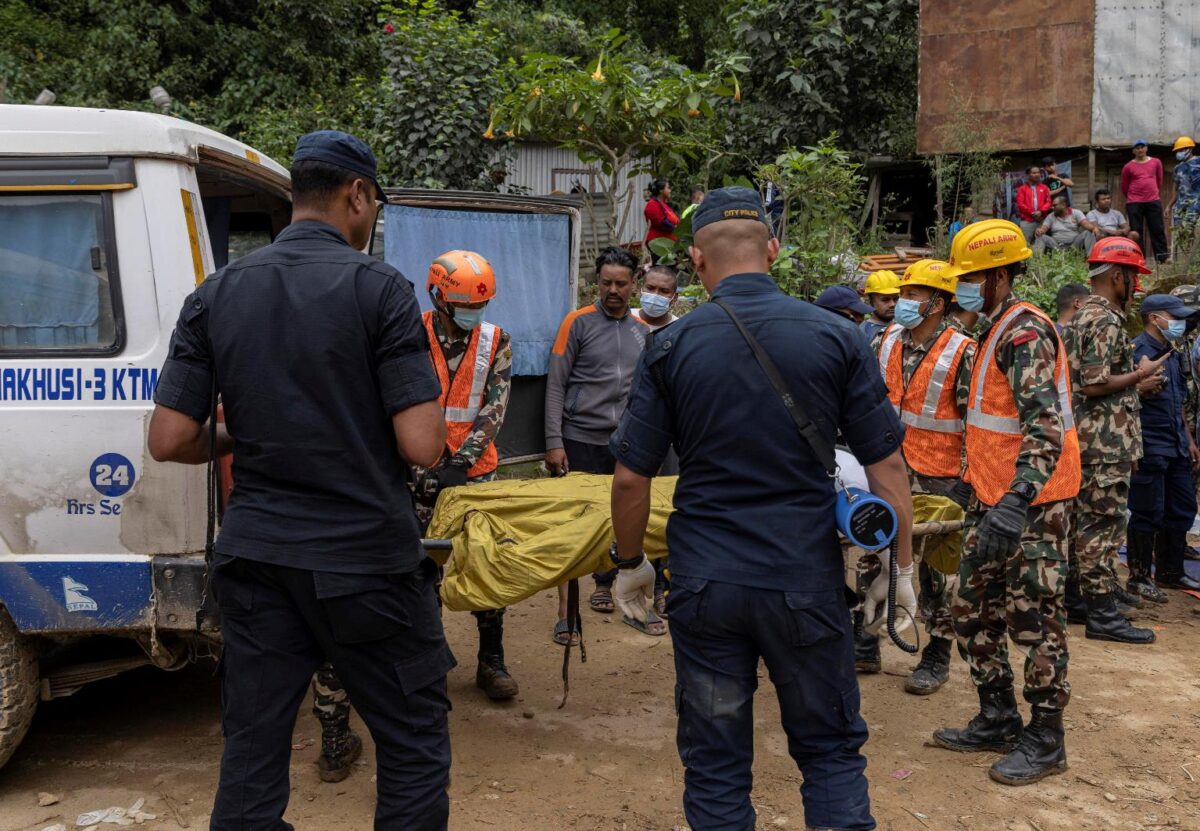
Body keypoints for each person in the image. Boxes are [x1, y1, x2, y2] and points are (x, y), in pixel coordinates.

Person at [147, 130, 454, 830]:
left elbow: (169, 438)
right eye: (373, 202)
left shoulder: (217, 292)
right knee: (411, 746)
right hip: (366, 565)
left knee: (252, 754)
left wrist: (244, 432)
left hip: (258, 563)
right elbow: (422, 442)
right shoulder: (380, 289)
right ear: (356, 195)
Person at [607, 186, 914, 831]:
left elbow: (632, 478)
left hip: (707, 585)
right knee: (830, 753)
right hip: (805, 583)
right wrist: (902, 567)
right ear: (773, 250)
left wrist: (630, 565)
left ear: (695, 261)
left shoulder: (670, 346)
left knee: (716, 765)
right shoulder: (839, 337)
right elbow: (887, 467)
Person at [932, 218, 1081, 786]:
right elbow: (992, 426)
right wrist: (978, 487)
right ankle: (997, 715)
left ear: (998, 276)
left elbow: (1044, 426)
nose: (961, 289)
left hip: (1034, 504)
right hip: (992, 500)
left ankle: (1046, 738)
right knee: (971, 609)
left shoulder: (1024, 333)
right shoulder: (991, 332)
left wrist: (1017, 499)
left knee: (1036, 618)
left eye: (970, 278)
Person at [869, 258, 976, 695]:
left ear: (937, 302)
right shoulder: (885, 339)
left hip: (940, 475)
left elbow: (975, 418)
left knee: (938, 570)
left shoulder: (962, 350)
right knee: (873, 550)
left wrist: (970, 476)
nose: (902, 301)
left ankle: (937, 650)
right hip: (886, 466)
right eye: (903, 293)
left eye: (912, 294)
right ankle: (868, 637)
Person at [544, 246, 660, 642]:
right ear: (597, 282)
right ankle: (566, 613)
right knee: (575, 526)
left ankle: (627, 598)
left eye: (621, 283)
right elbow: (556, 384)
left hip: (625, 442)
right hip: (579, 439)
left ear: (634, 286)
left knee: (628, 519)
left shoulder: (642, 331)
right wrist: (553, 441)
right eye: (606, 282)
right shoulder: (576, 323)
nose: (613, 290)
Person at [418, 249, 519, 700]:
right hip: (419, 472)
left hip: (475, 473)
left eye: (480, 306)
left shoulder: (496, 340)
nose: (472, 315)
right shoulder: (409, 334)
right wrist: (432, 466)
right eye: (464, 306)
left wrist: (460, 464)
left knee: (484, 561)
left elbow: (493, 409)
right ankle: (428, 660)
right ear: (439, 297)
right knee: (421, 569)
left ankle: (491, 661)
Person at [1060, 238, 1159, 645]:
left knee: (1080, 525)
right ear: (1117, 277)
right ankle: (1102, 614)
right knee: (1101, 528)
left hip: (1089, 439)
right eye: (1133, 278)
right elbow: (1095, 383)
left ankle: (1078, 601)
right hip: (1104, 443)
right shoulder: (1104, 320)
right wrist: (1140, 374)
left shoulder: (1083, 316)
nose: (1135, 286)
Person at [1127, 294, 1200, 600]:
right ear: (1154, 317)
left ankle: (1171, 571)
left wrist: (1189, 439)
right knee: (1147, 510)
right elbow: (1121, 397)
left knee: (1181, 507)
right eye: (1175, 316)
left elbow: (1179, 401)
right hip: (1149, 442)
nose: (1180, 323)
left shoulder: (1172, 352)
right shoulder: (1136, 351)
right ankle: (1140, 576)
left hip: (1176, 443)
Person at [1121, 140, 1168, 263]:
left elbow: (1159, 180)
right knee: (1136, 231)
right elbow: (1124, 186)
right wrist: (1133, 197)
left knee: (1157, 229)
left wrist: (1152, 193)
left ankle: (1162, 257)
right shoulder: (1128, 166)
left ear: (1146, 148)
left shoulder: (1156, 162)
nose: (1140, 150)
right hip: (1134, 202)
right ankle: (1139, 258)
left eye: (1142, 147)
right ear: (1133, 151)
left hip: (1153, 200)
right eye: (1137, 148)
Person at [1168, 136, 1200, 256]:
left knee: (1189, 229)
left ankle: (1194, 259)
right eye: (1177, 151)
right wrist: (1169, 206)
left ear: (1189, 149)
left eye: (1181, 150)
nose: (1178, 153)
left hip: (1196, 203)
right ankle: (1186, 259)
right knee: (1179, 232)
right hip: (1180, 205)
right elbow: (1175, 190)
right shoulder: (1177, 168)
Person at [1034, 194, 1098, 253]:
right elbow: (1044, 228)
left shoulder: (1076, 213)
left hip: (1074, 245)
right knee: (1040, 236)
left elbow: (1085, 224)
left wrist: (1094, 228)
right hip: (1056, 246)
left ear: (1063, 205)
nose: (1052, 208)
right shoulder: (1051, 216)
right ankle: (1036, 260)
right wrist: (1040, 231)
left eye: (1055, 205)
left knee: (1088, 233)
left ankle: (1091, 259)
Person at [631, 264, 679, 330]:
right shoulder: (624, 319)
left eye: (664, 291)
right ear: (640, 288)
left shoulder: (678, 329)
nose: (655, 294)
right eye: (650, 288)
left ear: (675, 297)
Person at [1014, 165, 1052, 242]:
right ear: (1028, 175)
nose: (1037, 175)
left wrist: (1041, 212)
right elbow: (1020, 204)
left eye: (1038, 172)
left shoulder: (1044, 188)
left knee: (1042, 240)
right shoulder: (1022, 189)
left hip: (1042, 220)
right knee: (1026, 242)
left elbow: (1049, 202)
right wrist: (1033, 213)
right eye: (1034, 173)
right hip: (1027, 221)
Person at [860, 269, 899, 342]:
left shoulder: (902, 327)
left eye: (895, 299)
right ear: (870, 301)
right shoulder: (864, 334)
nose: (892, 304)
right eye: (885, 300)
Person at [644, 178, 679, 253]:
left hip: (668, 245)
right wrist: (677, 229)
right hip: (659, 245)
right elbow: (661, 223)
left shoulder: (664, 205)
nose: (670, 190)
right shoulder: (652, 204)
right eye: (668, 188)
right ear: (661, 190)